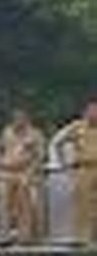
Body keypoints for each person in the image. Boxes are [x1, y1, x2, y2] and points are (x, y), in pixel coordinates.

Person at [49, 97, 97, 244]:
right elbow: (58, 143)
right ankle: (82, 237)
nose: (94, 113)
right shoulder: (76, 127)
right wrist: (64, 164)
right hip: (82, 168)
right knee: (82, 203)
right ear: (85, 112)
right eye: (91, 110)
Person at [0, 109, 46, 243]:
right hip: (7, 171)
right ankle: (4, 234)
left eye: (21, 118)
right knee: (4, 204)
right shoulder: (7, 132)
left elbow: (39, 156)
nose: (18, 121)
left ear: (27, 119)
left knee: (24, 204)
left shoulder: (35, 134)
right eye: (16, 118)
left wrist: (32, 172)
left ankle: (25, 235)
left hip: (24, 171)